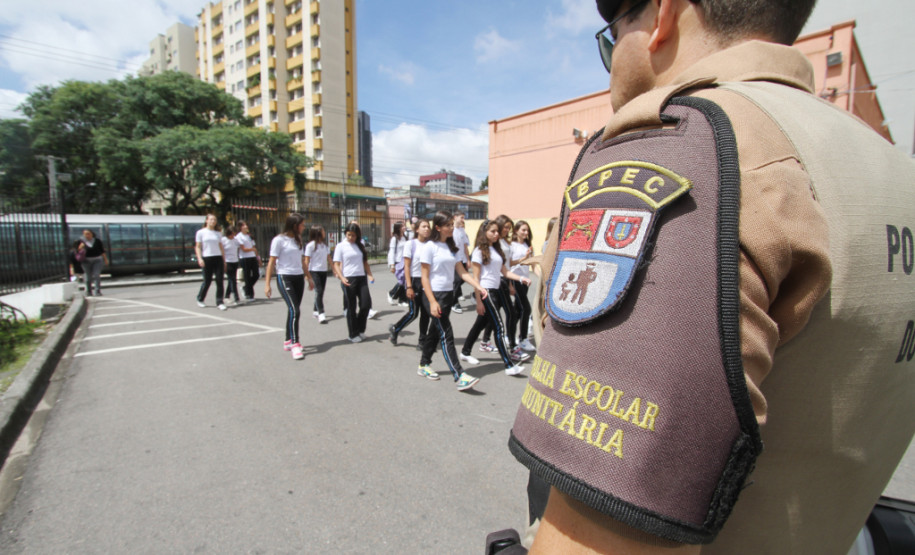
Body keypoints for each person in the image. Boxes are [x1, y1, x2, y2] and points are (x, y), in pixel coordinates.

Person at [503, 1, 915, 554]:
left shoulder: (691, 150)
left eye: (609, 39)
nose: (609, 61)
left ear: (662, 17)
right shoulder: (891, 171)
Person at [417, 210, 489, 390]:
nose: (451, 228)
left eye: (451, 224)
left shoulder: (452, 248)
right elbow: (424, 278)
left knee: (435, 331)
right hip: (432, 295)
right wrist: (432, 302)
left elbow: (463, 272)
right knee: (446, 333)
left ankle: (424, 364)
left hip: (447, 295)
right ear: (439, 227)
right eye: (448, 225)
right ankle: (459, 375)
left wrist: (478, 286)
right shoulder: (429, 247)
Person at [458, 220, 529, 376]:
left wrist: (520, 279)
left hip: (496, 290)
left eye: (497, 231)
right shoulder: (478, 251)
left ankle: (465, 350)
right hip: (486, 292)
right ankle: (509, 364)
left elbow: (505, 272)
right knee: (499, 327)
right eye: (493, 231)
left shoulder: (495, 250)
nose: (496, 234)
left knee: (481, 323)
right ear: (484, 232)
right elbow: (475, 278)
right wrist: (478, 301)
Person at [264, 213, 312, 360]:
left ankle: (287, 340)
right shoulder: (279, 240)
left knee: (292, 310)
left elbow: (303, 261)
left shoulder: (298, 240)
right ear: (294, 225)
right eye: (302, 225)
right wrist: (267, 284)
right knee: (295, 310)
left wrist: (308, 277)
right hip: (285, 277)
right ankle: (295, 344)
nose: (304, 227)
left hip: (298, 277)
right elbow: (272, 262)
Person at [388, 218, 433, 351]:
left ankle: (422, 341)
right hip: (414, 281)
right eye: (424, 226)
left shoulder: (431, 245)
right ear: (417, 229)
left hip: (427, 281)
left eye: (428, 227)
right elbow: (406, 267)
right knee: (413, 313)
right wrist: (409, 286)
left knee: (426, 313)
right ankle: (395, 329)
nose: (427, 229)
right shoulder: (410, 244)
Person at [334, 222, 374, 343]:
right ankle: (352, 333)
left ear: (357, 235)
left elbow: (365, 262)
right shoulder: (340, 246)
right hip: (349, 278)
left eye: (353, 235)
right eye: (349, 235)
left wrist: (370, 275)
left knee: (366, 304)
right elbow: (336, 263)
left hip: (361, 277)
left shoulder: (359, 245)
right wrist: (341, 277)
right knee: (351, 307)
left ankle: (360, 329)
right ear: (345, 234)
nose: (351, 238)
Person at [509, 220, 535, 352]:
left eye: (527, 230)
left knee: (517, 311)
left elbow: (533, 264)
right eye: (523, 230)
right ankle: (523, 338)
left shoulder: (528, 245)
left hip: (525, 281)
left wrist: (542, 277)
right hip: (515, 280)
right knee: (526, 309)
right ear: (516, 231)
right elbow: (508, 264)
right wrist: (523, 258)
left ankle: (509, 335)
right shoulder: (511, 246)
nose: (526, 233)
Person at [195, 214, 226, 310]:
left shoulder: (218, 233)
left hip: (217, 258)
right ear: (207, 221)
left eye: (215, 219)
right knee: (207, 280)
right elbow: (198, 247)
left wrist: (224, 259)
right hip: (207, 258)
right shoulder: (201, 232)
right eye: (211, 219)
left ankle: (219, 301)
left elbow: (221, 247)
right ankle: (200, 299)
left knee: (220, 280)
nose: (213, 221)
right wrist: (200, 258)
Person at [304, 224, 330, 323]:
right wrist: (307, 275)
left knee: (321, 291)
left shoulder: (325, 245)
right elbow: (306, 261)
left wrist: (335, 270)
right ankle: (321, 313)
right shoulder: (310, 246)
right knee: (318, 291)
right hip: (314, 271)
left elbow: (329, 259)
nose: (324, 233)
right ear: (318, 233)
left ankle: (315, 310)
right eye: (323, 231)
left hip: (323, 271)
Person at [235, 220, 261, 302]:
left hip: (252, 257)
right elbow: (243, 249)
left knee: (256, 275)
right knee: (247, 276)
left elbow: (255, 248)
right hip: (244, 258)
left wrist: (258, 259)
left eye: (246, 225)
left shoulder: (249, 236)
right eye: (243, 225)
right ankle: (249, 294)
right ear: (240, 227)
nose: (246, 226)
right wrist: (252, 249)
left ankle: (245, 287)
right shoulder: (239, 237)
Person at [450, 211, 471, 314]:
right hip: (453, 260)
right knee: (457, 280)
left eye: (464, 217)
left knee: (462, 279)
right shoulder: (450, 230)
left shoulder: (462, 230)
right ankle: (454, 303)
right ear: (455, 217)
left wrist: (468, 259)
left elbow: (465, 246)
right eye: (461, 217)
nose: (463, 220)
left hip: (462, 259)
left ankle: (455, 294)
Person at [80, 229, 108, 297]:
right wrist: (81, 247)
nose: (87, 235)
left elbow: (102, 251)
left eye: (88, 233)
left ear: (92, 234)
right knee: (88, 276)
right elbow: (76, 252)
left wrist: (105, 259)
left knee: (96, 275)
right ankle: (89, 291)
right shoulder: (81, 242)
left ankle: (97, 291)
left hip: (97, 260)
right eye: (85, 234)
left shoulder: (97, 241)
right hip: (86, 261)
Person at [386, 222, 407, 305]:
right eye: (403, 226)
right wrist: (392, 265)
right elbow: (391, 252)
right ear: (398, 228)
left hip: (404, 260)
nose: (405, 227)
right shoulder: (394, 239)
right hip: (398, 261)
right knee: (401, 280)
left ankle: (402, 300)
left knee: (405, 281)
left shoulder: (405, 237)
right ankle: (391, 293)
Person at [221, 225, 241, 306]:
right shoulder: (223, 240)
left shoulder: (235, 240)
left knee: (231, 279)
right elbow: (221, 251)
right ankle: (236, 297)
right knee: (232, 279)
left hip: (234, 261)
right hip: (227, 261)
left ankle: (226, 296)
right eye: (232, 234)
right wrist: (223, 262)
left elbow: (239, 248)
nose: (233, 236)